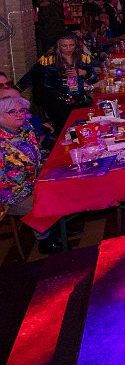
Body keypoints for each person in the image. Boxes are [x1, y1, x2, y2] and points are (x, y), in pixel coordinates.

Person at [0, 95, 61, 253]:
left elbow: (37, 156)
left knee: (62, 183)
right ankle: (44, 239)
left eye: (21, 110)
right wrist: (35, 186)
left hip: (34, 181)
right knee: (47, 198)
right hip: (10, 195)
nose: (19, 114)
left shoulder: (26, 129)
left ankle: (58, 227)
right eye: (12, 112)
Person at [16, 34, 97, 132]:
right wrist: (15, 90)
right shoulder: (48, 60)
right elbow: (31, 75)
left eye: (71, 45)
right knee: (64, 130)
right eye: (64, 46)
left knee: (83, 128)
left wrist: (84, 73)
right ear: (58, 46)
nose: (68, 49)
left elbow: (94, 78)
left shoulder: (83, 58)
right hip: (56, 102)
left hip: (78, 100)